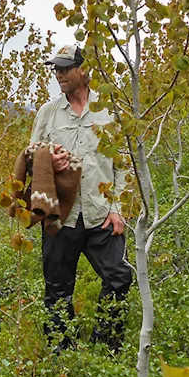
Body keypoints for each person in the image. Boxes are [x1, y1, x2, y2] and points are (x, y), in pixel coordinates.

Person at [30, 44, 133, 350]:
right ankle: (63, 353)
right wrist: (49, 161)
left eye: (65, 68)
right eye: (56, 69)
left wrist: (118, 208)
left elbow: (124, 163)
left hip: (102, 214)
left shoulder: (110, 111)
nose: (59, 74)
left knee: (119, 277)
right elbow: (33, 156)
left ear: (84, 71)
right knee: (58, 289)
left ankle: (107, 348)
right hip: (62, 216)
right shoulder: (48, 113)